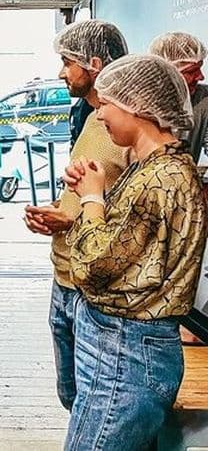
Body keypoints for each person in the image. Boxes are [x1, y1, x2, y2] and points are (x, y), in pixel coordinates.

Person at [62, 54, 206, 450]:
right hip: (125, 346)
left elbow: (94, 264)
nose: (100, 113)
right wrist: (95, 194)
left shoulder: (160, 177)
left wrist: (91, 199)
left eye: (106, 103)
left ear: (138, 106)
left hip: (125, 350)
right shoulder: (159, 168)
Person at [24, 19, 131, 412]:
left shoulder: (129, 129)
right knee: (72, 397)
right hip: (64, 272)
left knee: (95, 405)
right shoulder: (88, 117)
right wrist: (58, 210)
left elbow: (132, 213)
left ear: (95, 64)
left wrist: (73, 220)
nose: (61, 71)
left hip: (95, 284)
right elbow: (88, 186)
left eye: (68, 62)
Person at [149, 31, 208, 163]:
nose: (201, 77)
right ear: (166, 73)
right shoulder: (138, 104)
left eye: (199, 69)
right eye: (191, 72)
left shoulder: (203, 100)